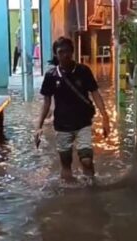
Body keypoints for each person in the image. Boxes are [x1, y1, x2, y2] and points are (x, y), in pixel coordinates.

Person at [35, 37, 110, 182]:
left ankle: (91, 188)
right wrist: (38, 127)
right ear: (56, 54)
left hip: (83, 123)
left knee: (86, 159)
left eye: (68, 51)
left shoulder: (83, 71)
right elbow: (46, 103)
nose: (65, 55)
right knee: (65, 164)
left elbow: (95, 94)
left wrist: (105, 118)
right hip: (62, 125)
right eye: (61, 52)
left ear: (73, 52)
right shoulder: (51, 76)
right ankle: (68, 194)